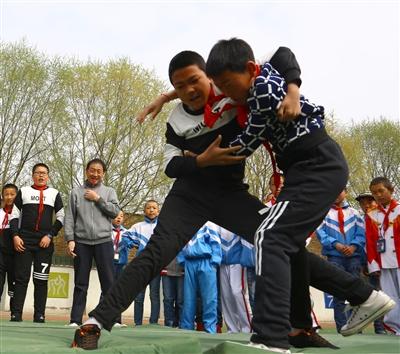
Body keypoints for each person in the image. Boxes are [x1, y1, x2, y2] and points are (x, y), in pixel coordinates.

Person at [72, 49, 388, 352]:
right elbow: (171, 166)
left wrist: (292, 89)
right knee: (155, 253)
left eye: (194, 80)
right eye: (178, 86)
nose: (189, 90)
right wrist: (200, 161)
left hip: (231, 195)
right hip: (189, 197)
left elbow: (278, 59)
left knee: (283, 245)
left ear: (209, 76)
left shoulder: (231, 92)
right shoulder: (176, 121)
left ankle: (344, 303)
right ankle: (99, 319)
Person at [205, 38, 395, 351]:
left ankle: (270, 336)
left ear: (251, 69)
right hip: (304, 169)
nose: (226, 92)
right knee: (288, 246)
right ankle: (363, 298)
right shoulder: (251, 83)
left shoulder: (262, 90)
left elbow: (249, 139)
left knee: (270, 236)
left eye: (227, 84)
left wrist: (204, 160)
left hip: (317, 165)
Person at [65, 158, 120, 327]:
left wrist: (98, 199)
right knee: (81, 283)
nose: (95, 174)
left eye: (99, 171)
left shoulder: (109, 191)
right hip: (81, 242)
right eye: (92, 170)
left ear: (103, 173)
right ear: (86, 171)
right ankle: (75, 320)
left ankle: (114, 319)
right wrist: (70, 239)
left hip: (103, 241)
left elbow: (115, 212)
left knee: (109, 282)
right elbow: (69, 218)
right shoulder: (75, 192)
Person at [9, 163, 64, 323]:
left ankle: (39, 315)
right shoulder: (24, 191)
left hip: (44, 242)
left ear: (48, 176)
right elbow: (14, 216)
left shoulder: (54, 193)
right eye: (38, 173)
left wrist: (50, 235)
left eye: (44, 173)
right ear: (32, 175)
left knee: (41, 279)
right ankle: (16, 314)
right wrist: (15, 236)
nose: (41, 176)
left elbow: (61, 217)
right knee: (21, 279)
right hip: (24, 241)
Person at [316, 189, 366, 333]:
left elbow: (361, 233)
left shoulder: (355, 213)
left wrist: (353, 246)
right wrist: (336, 244)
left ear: (346, 192)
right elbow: (321, 233)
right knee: (338, 292)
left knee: (355, 292)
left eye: (340, 191)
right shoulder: (323, 213)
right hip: (334, 256)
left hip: (353, 257)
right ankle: (342, 328)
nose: (337, 193)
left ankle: (357, 328)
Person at [365, 177, 400, 335]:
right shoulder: (371, 214)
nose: (378, 195)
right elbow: (370, 241)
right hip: (384, 261)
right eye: (374, 193)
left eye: (381, 191)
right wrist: (373, 264)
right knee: (389, 296)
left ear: (391, 190)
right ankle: (395, 328)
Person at [177, 221, 222, 333]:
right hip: (189, 263)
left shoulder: (209, 225)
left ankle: (210, 329)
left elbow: (215, 242)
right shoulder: (184, 226)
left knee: (209, 298)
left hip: (206, 261)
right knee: (188, 298)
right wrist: (182, 261)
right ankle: (186, 328)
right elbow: (179, 244)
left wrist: (214, 261)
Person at [355, 191, 386, 335]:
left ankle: (385, 327)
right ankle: (374, 328)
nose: (366, 205)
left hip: (383, 264)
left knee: (385, 296)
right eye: (362, 203)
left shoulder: (383, 218)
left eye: (369, 202)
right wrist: (364, 263)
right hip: (365, 265)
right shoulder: (359, 220)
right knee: (370, 298)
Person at [128, 200, 161, 326]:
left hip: (156, 266)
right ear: (144, 211)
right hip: (141, 267)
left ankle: (153, 323)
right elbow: (126, 238)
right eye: (148, 208)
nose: (151, 210)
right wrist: (132, 244)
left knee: (154, 295)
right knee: (139, 297)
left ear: (158, 211)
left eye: (154, 208)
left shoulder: (162, 226)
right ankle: (138, 323)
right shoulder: (137, 226)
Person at [110, 210, 136, 327]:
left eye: (121, 216)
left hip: (121, 264)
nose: (118, 218)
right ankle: (102, 317)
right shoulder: (106, 231)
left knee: (118, 291)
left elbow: (133, 244)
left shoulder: (127, 232)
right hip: (109, 263)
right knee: (106, 290)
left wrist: (129, 242)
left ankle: (117, 320)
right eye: (116, 216)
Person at [0, 183, 18, 315]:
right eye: (6, 194)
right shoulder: (0, 213)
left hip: (15, 254)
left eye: (12, 194)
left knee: (14, 284)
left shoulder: (21, 215)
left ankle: (14, 312)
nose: (9, 197)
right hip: (1, 254)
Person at [161, 256, 184, 327]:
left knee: (180, 301)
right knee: (168, 300)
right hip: (166, 271)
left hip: (182, 272)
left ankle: (181, 324)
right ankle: (169, 324)